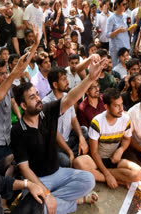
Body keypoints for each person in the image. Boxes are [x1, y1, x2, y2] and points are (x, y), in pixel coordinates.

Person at [10, 57, 109, 213]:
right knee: (33, 209)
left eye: (37, 94)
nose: (37, 99)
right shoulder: (17, 130)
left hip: (58, 173)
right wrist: (46, 192)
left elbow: (70, 98)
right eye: (32, 97)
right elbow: (25, 170)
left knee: (88, 180)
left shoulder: (46, 111)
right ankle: (69, 202)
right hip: (38, 180)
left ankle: (49, 204)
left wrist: (90, 78)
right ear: (23, 106)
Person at [0, 24, 36, 162]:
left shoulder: (7, 86)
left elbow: (21, 67)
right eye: (1, 74)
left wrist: (36, 44)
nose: (5, 76)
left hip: (7, 139)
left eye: (6, 73)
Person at [74, 88, 141, 188]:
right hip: (97, 160)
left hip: (114, 159)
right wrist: (107, 175)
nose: (121, 109)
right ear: (106, 106)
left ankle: (98, 174)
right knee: (78, 163)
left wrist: (121, 150)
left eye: (121, 104)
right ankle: (116, 180)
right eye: (116, 106)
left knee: (138, 173)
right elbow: (94, 152)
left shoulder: (125, 119)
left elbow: (127, 139)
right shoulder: (97, 122)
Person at [42, 67, 89, 167]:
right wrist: (69, 152)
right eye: (63, 79)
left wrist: (81, 138)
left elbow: (74, 119)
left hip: (69, 140)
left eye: (66, 78)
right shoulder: (46, 102)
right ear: (55, 84)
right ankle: (75, 157)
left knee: (84, 130)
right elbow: (54, 133)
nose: (67, 82)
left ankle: (75, 156)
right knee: (66, 161)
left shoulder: (68, 96)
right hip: (56, 145)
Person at [106, 0, 131, 66]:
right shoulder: (111, 18)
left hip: (125, 47)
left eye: (126, 4)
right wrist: (117, 31)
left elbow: (128, 30)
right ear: (117, 5)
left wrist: (131, 28)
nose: (125, 6)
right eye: (123, 4)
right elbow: (107, 34)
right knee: (116, 68)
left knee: (126, 67)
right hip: (116, 48)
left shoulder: (126, 16)